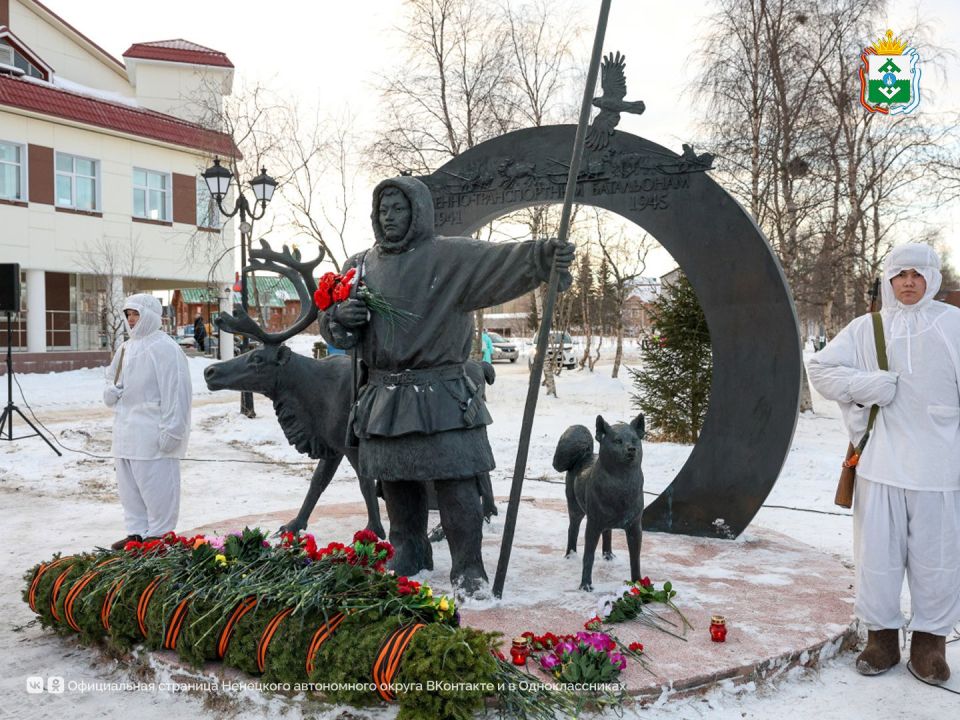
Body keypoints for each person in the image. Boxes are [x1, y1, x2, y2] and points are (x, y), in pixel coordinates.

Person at [319, 176, 574, 595]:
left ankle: (468, 566)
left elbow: (501, 261)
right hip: (385, 395)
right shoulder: (359, 266)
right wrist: (340, 321)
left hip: (442, 395)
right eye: (383, 210)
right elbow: (337, 330)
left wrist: (542, 256)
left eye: (399, 208)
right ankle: (410, 550)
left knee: (457, 483)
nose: (389, 217)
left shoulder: (449, 256)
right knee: (397, 482)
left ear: (418, 211)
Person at [807, 242, 960, 685]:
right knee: (878, 556)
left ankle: (930, 643)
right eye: (900, 275)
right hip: (879, 465)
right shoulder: (864, 328)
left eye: (917, 274)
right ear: (888, 280)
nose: (908, 282)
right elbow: (820, 371)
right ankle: (882, 638)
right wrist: (868, 384)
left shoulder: (953, 326)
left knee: (939, 559)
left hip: (941, 469)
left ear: (931, 278)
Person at [104, 294, 192, 550]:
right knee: (129, 489)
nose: (131, 320)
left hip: (152, 432)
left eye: (136, 314)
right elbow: (111, 380)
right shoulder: (125, 348)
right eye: (128, 314)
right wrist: (110, 393)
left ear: (150, 315)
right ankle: (136, 532)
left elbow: (176, 391)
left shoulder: (164, 348)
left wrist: (173, 430)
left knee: (157, 486)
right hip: (125, 432)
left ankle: (159, 534)